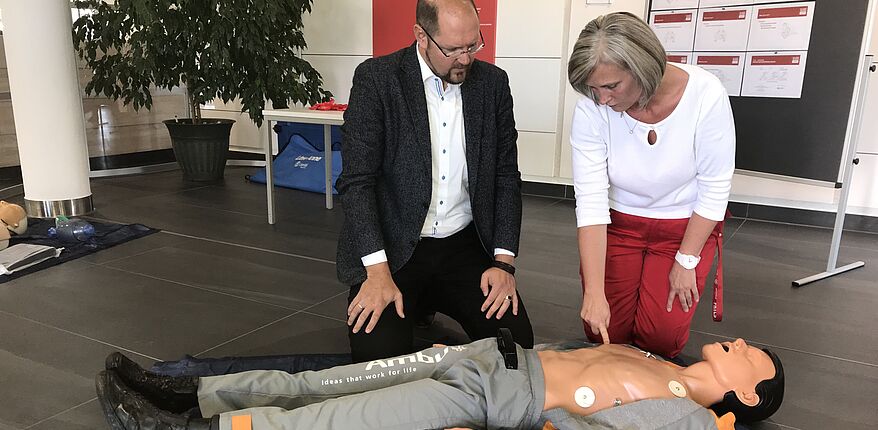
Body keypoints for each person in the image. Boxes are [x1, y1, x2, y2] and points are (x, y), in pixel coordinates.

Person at [336, 0, 533, 363]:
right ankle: (417, 311)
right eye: (453, 49)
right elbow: (357, 182)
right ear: (421, 36)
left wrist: (504, 265)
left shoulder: (493, 85)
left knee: (518, 347)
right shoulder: (378, 80)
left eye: (473, 44)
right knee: (378, 364)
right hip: (394, 251)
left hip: (464, 246)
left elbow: (506, 177)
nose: (466, 58)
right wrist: (376, 271)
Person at [96, 336, 784, 430]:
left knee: (337, 421)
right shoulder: (661, 359)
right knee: (323, 381)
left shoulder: (686, 421)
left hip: (487, 397)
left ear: (747, 394)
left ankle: (182, 428)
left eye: (752, 354)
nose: (742, 340)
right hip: (486, 355)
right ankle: (188, 391)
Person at [567, 12, 736, 358]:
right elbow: (591, 203)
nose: (601, 99)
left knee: (660, 341)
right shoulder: (591, 108)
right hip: (619, 224)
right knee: (604, 333)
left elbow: (715, 188)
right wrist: (594, 293)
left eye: (611, 87)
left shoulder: (706, 95)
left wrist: (686, 262)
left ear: (642, 67)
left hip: (683, 229)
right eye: (593, 88)